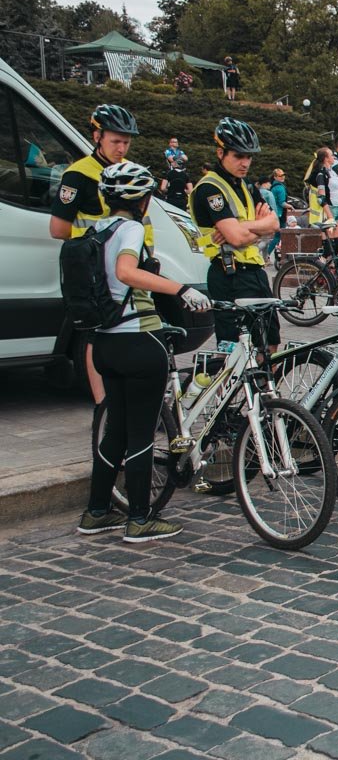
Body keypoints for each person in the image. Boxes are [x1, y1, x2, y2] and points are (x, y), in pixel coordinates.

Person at [78, 162, 211, 542]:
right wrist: (181, 289)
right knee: (140, 434)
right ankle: (140, 518)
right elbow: (125, 272)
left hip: (105, 341)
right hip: (139, 339)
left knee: (114, 432)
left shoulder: (97, 230)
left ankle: (97, 511)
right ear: (144, 200)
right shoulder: (132, 228)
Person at [50, 104, 141, 405]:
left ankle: (124, 396)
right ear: (97, 136)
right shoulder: (78, 175)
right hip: (93, 268)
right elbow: (58, 229)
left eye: (126, 142)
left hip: (129, 265)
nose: (122, 147)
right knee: (95, 334)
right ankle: (104, 404)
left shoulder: (129, 173)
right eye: (116, 141)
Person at [189, 118, 280, 354]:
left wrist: (248, 228)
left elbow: (274, 224)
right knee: (232, 351)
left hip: (256, 272)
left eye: (249, 156)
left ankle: (261, 391)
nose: (245, 163)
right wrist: (259, 228)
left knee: (270, 345)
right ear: (221, 152)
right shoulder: (210, 188)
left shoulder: (247, 186)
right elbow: (237, 238)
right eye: (238, 156)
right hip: (228, 274)